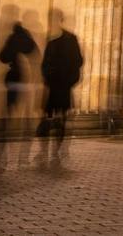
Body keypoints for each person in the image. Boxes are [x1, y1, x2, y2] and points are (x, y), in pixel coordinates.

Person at [0, 10, 38, 171]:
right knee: (26, 118)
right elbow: (36, 57)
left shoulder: (13, 39)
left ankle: (2, 158)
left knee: (8, 116)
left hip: (13, 81)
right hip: (26, 82)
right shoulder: (29, 40)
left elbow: (3, 56)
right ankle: (23, 157)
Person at [38, 10, 82, 166]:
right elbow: (44, 64)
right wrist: (47, 78)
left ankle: (56, 150)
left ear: (60, 20)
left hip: (63, 85)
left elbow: (78, 61)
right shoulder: (51, 40)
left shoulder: (70, 39)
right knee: (47, 118)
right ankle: (44, 150)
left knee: (61, 118)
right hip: (52, 85)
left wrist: (70, 80)